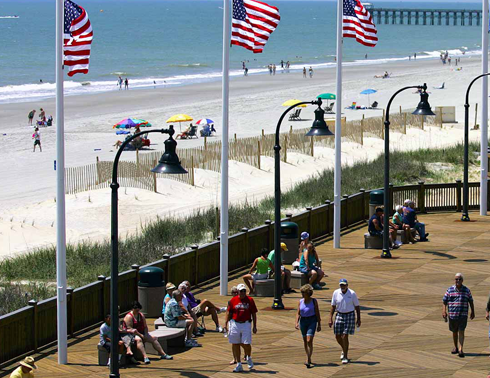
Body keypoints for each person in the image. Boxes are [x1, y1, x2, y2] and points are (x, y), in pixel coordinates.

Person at [226, 283, 258, 373]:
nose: (243, 293)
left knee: (246, 343)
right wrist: (225, 324)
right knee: (235, 343)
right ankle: (239, 364)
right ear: (238, 292)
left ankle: (248, 356)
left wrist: (255, 326)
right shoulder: (233, 300)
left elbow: (254, 314)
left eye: (244, 291)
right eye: (241, 291)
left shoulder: (250, 300)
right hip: (235, 323)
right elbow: (228, 312)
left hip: (246, 323)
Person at [329, 279, 361, 364]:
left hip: (349, 314)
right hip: (339, 314)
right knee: (337, 336)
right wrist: (330, 318)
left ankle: (345, 356)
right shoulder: (336, 293)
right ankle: (344, 349)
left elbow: (357, 307)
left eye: (344, 285)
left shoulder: (352, 293)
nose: (342, 287)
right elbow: (333, 306)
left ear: (347, 285)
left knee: (345, 335)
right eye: (341, 285)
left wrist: (358, 319)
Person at [443, 273, 475, 358]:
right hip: (452, 315)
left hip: (463, 315)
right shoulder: (449, 290)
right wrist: (444, 311)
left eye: (459, 279)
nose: (458, 281)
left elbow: (471, 301)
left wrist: (472, 311)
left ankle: (461, 349)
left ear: (462, 280)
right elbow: (444, 301)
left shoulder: (466, 290)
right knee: (454, 332)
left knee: (461, 331)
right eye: (456, 279)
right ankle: (455, 347)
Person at [295, 284, 321, 368]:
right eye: (302, 293)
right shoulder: (300, 301)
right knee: (305, 341)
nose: (302, 294)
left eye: (304, 293)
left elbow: (317, 312)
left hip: (312, 320)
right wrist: (296, 322)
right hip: (303, 321)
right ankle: (308, 356)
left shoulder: (314, 301)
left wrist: (319, 324)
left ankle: (308, 358)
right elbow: (298, 313)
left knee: (309, 340)